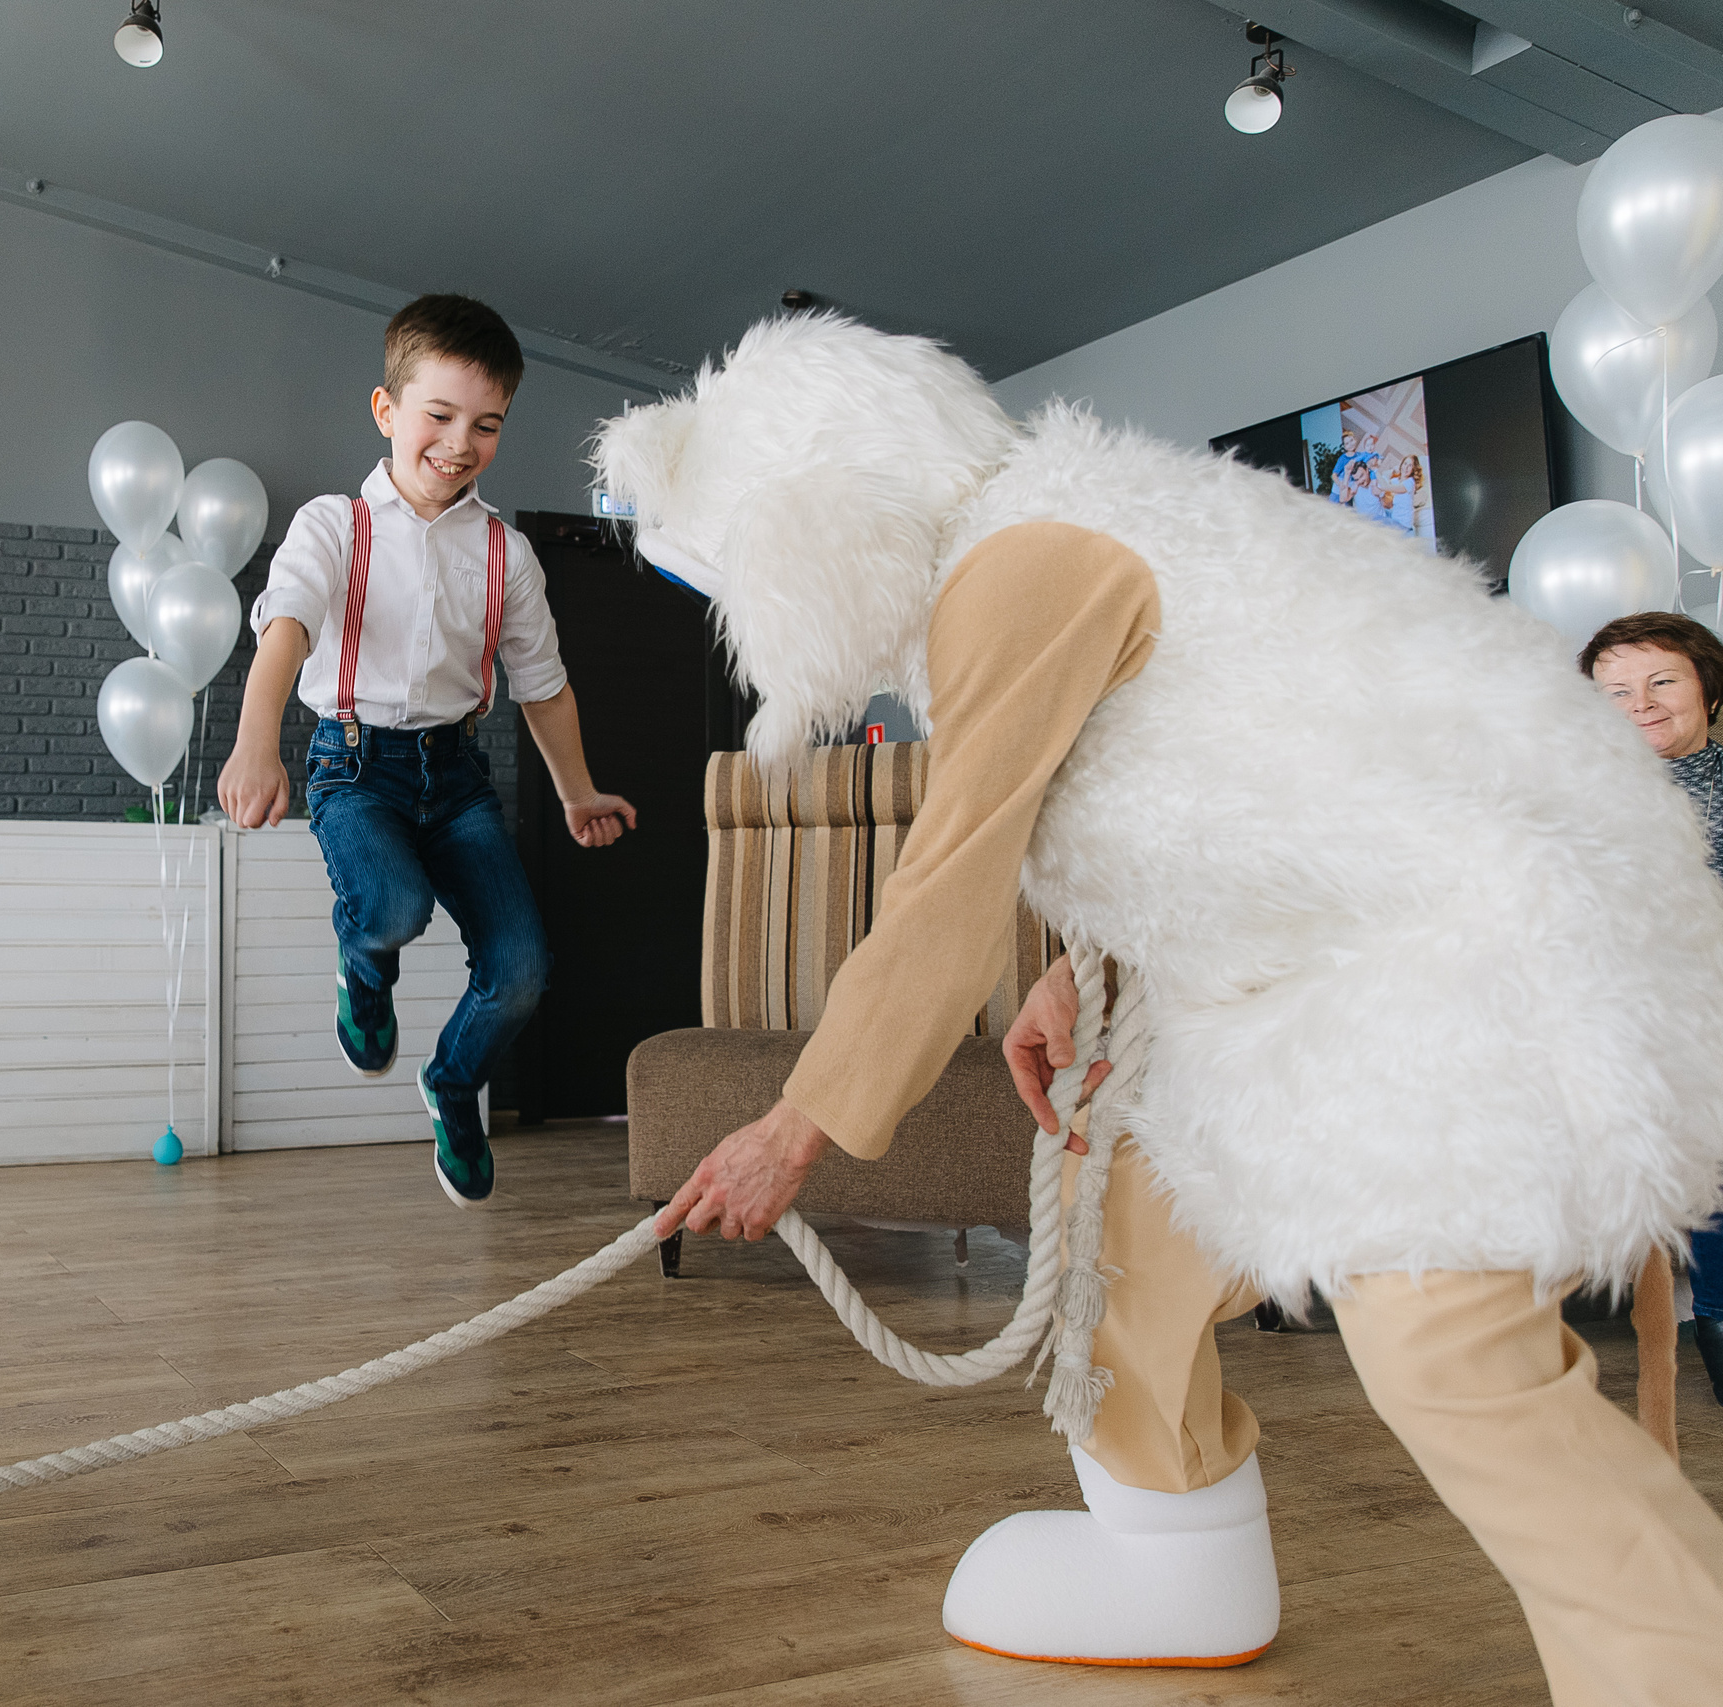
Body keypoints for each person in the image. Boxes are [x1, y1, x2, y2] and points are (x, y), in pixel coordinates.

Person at [603, 313, 1723, 1690]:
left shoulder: (1024, 562)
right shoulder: (1049, 530)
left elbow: (949, 873)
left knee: (1446, 1350)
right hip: (1313, 962)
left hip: (1483, 952)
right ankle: (1175, 1558)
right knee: (1127, 1240)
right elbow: (1243, 767)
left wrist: (796, 1126)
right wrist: (1086, 967)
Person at [215, 293, 637, 1206]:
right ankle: (362, 967)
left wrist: (577, 792)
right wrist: (258, 746)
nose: (459, 443)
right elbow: (285, 628)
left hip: (457, 779)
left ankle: (452, 1081)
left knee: (523, 967)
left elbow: (545, 685)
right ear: (387, 411)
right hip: (353, 768)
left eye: (486, 425)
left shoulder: (506, 555)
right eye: (439, 416)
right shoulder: (336, 525)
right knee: (393, 907)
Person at [1583, 609, 1723, 1407]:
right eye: (1615, 691)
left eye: (1662, 678)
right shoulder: (1572, 806)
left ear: (1705, 683)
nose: (1641, 702)